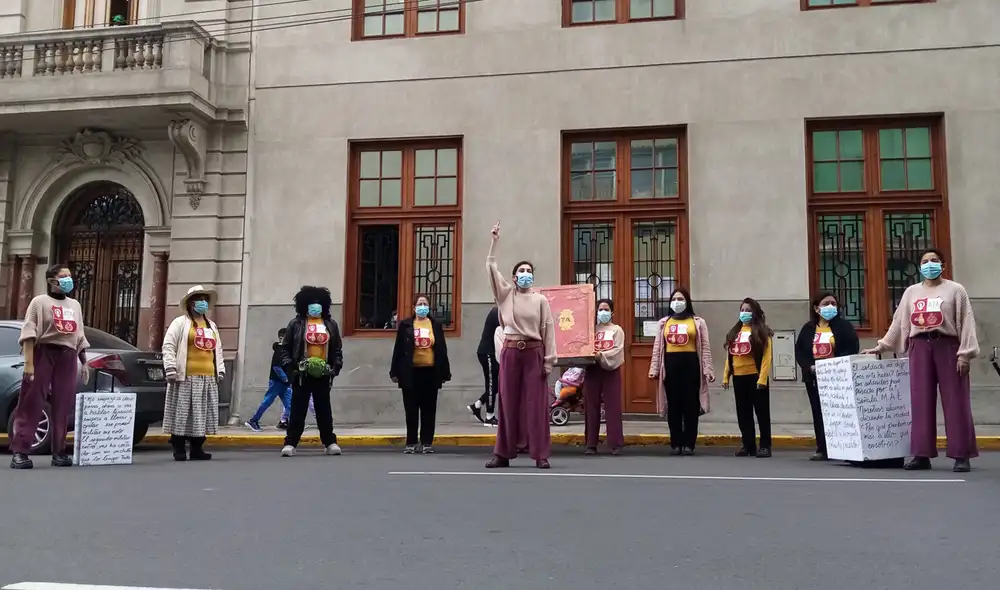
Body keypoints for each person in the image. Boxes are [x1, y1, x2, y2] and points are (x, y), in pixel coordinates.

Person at [862, 248, 980, 473]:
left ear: (943, 265)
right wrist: (882, 345)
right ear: (919, 267)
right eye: (925, 261)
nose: (930, 264)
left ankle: (961, 454)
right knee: (920, 402)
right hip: (919, 347)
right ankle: (921, 455)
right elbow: (899, 322)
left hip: (948, 346)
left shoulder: (956, 290)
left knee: (956, 401)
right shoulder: (911, 292)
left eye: (934, 260)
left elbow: (966, 322)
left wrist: (965, 354)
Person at [485, 221, 556, 469]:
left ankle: (540, 454)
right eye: (521, 271)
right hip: (511, 352)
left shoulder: (541, 300)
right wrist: (494, 242)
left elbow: (548, 330)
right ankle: (502, 453)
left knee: (536, 405)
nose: (526, 273)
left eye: (529, 270)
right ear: (514, 277)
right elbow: (492, 269)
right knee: (507, 402)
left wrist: (549, 361)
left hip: (534, 353)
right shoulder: (506, 295)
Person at [10, 264, 90, 469]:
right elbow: (29, 333)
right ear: (51, 280)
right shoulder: (39, 302)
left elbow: (78, 335)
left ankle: (59, 451)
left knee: (63, 404)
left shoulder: (75, 305)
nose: (68, 280)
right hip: (43, 352)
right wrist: (29, 364)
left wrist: (84, 361)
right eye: (63, 276)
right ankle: (20, 451)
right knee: (32, 402)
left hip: (68, 356)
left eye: (70, 276)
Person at [648, 287, 715, 456]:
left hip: (690, 366)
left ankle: (689, 444)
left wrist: (708, 369)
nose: (677, 302)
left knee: (691, 406)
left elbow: (705, 347)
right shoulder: (664, 322)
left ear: (687, 302)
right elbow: (657, 348)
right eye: (674, 299)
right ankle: (675, 443)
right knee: (674, 407)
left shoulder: (697, 322)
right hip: (671, 366)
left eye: (681, 299)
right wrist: (654, 369)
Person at [162, 285, 225, 462]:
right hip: (185, 377)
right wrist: (171, 368)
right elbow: (169, 346)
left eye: (205, 299)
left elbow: (217, 349)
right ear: (190, 303)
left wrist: (219, 370)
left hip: (207, 377)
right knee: (183, 413)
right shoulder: (180, 323)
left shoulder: (211, 326)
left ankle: (197, 447)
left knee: (201, 414)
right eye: (199, 300)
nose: (203, 303)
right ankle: (179, 446)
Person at [794, 292, 860, 461]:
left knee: (840, 413)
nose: (831, 306)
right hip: (814, 377)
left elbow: (852, 347)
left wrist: (835, 364)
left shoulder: (844, 327)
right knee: (819, 412)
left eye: (833, 303)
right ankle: (822, 448)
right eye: (826, 303)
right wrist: (809, 367)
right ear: (817, 308)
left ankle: (843, 448)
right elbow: (800, 350)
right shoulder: (808, 328)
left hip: (837, 377)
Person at [279, 286, 343, 457]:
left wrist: (334, 368)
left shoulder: (330, 324)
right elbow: (285, 349)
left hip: (323, 373)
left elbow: (337, 349)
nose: (315, 306)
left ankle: (330, 442)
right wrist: (291, 368)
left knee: (324, 410)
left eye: (318, 303)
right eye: (311, 303)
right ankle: (291, 443)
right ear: (304, 306)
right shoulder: (296, 324)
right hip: (301, 374)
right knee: (298, 410)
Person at [390, 294, 452, 454]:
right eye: (420, 304)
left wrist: (445, 371)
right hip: (410, 372)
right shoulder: (406, 325)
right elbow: (398, 350)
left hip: (430, 372)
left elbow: (441, 349)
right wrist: (395, 371)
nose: (422, 307)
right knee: (411, 409)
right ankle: (411, 442)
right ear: (414, 307)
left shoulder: (435, 325)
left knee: (429, 409)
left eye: (425, 304)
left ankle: (426, 442)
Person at [722, 298, 773, 458]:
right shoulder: (735, 332)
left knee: (762, 414)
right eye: (742, 310)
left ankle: (765, 446)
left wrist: (762, 379)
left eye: (748, 310)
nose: (745, 313)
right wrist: (726, 376)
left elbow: (767, 357)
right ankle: (748, 444)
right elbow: (730, 356)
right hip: (739, 377)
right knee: (743, 413)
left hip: (756, 377)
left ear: (755, 312)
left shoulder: (762, 332)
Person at [584, 299, 625, 456]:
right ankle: (590, 444)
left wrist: (601, 355)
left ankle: (615, 443)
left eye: (606, 309)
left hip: (610, 370)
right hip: (592, 370)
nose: (603, 312)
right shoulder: (590, 330)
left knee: (612, 407)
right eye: (600, 309)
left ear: (612, 312)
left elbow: (617, 350)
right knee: (591, 406)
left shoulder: (617, 330)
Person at [245, 328, 292, 432]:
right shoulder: (280, 350)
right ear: (282, 338)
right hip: (277, 382)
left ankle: (289, 424)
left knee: (290, 404)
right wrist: (285, 379)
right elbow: (277, 367)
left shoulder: (284, 350)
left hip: (284, 383)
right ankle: (253, 421)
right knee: (267, 401)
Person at [468, 306, 501, 426]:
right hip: (488, 352)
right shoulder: (498, 312)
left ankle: (477, 405)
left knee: (496, 385)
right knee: (492, 383)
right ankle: (489, 416)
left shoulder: (501, 310)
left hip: (492, 353)